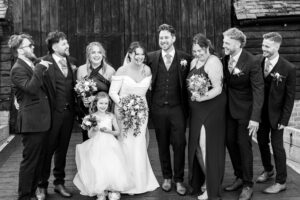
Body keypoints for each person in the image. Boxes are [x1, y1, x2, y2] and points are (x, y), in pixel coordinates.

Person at [146, 24, 192, 195]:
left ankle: (179, 180)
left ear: (173, 38)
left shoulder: (185, 58)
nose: (163, 41)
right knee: (162, 143)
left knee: (180, 143)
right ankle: (167, 177)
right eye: (161, 38)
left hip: (178, 109)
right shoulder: (150, 57)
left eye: (166, 37)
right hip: (158, 108)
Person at [109, 41, 159, 194]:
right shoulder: (121, 70)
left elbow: (146, 90)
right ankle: (124, 181)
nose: (139, 57)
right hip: (123, 111)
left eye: (142, 54)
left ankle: (140, 180)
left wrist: (138, 108)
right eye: (136, 54)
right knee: (125, 143)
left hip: (142, 111)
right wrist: (125, 106)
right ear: (130, 54)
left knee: (139, 143)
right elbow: (113, 93)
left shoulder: (147, 70)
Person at [222, 28, 264, 200]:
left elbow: (258, 90)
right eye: (223, 41)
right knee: (230, 143)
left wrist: (255, 118)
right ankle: (239, 176)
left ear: (238, 43)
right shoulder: (224, 59)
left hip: (246, 112)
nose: (223, 45)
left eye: (227, 42)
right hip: (228, 110)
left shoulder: (252, 61)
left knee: (244, 146)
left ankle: (248, 184)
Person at [9, 34, 51, 200]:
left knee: (38, 161)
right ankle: (24, 196)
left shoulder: (31, 64)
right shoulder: (17, 69)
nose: (33, 47)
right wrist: (40, 68)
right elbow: (31, 88)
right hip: (32, 122)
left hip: (41, 121)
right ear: (19, 50)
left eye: (32, 45)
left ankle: (32, 193)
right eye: (29, 46)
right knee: (30, 162)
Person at [37, 31, 76, 199]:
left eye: (67, 43)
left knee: (62, 150)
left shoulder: (72, 62)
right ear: (54, 46)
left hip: (68, 115)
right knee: (47, 150)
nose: (67, 46)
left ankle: (59, 183)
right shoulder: (43, 62)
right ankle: (41, 185)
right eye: (63, 43)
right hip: (51, 115)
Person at [187, 33, 226, 200]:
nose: (197, 53)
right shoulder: (193, 62)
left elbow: (217, 89)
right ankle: (205, 180)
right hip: (196, 110)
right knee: (196, 147)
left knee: (206, 147)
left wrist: (201, 97)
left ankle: (211, 187)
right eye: (195, 50)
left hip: (211, 109)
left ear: (207, 48)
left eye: (200, 50)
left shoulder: (214, 62)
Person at [73, 92, 133, 200]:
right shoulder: (91, 117)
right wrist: (94, 129)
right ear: (96, 103)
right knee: (98, 165)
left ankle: (113, 188)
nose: (103, 106)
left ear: (108, 104)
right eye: (101, 103)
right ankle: (101, 189)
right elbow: (90, 135)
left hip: (110, 144)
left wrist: (109, 131)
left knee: (111, 165)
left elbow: (118, 132)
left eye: (105, 103)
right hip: (97, 144)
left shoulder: (111, 116)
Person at [256, 32, 296, 194]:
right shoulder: (258, 61)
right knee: (261, 141)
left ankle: (281, 181)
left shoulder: (288, 68)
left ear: (277, 46)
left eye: (266, 46)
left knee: (277, 147)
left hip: (277, 116)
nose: (262, 48)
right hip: (260, 114)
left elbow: (290, 97)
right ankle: (268, 170)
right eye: (262, 45)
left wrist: (284, 119)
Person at [77, 42, 115, 141]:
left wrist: (95, 98)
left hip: (104, 110)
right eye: (93, 52)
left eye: (99, 52)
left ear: (103, 55)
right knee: (88, 139)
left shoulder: (110, 71)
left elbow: (113, 94)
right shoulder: (81, 69)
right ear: (88, 55)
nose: (96, 55)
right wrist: (83, 99)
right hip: (86, 111)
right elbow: (78, 90)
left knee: (103, 139)